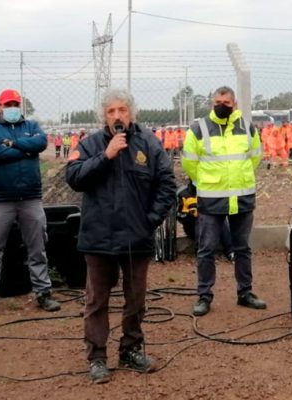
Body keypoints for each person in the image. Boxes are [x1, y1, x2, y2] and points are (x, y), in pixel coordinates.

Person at [66, 89, 176, 383]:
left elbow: (166, 184)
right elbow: (74, 178)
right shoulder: (89, 145)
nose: (117, 116)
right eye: (112, 111)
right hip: (98, 238)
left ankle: (130, 349)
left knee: (136, 299)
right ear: (104, 116)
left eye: (123, 110)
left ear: (132, 113)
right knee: (96, 301)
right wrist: (106, 156)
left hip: (136, 238)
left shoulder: (149, 143)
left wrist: (149, 221)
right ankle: (97, 358)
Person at [0, 89, 61, 318]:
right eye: (8, 103)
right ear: (0, 106)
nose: (12, 107)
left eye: (15, 103)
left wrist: (11, 144)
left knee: (37, 247)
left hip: (30, 197)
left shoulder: (32, 125)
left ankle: (43, 292)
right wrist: (25, 149)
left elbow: (41, 143)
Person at [181, 86, 266, 317]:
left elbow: (255, 156)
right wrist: (207, 182)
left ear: (234, 103)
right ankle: (204, 296)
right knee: (206, 249)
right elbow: (189, 163)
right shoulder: (198, 129)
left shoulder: (247, 127)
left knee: (243, 248)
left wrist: (239, 179)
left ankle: (245, 293)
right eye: (217, 101)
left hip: (242, 197)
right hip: (211, 199)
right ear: (212, 102)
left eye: (226, 102)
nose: (221, 105)